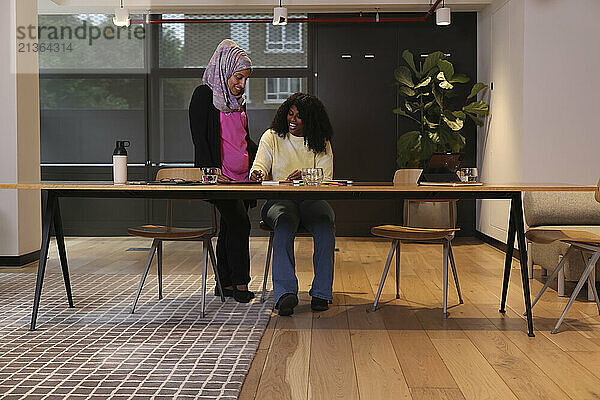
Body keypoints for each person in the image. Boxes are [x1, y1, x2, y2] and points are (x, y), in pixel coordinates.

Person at [250, 93, 335, 316]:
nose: (293, 120)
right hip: (279, 200)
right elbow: (259, 167)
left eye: (300, 116)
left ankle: (321, 293)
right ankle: (285, 293)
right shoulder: (272, 137)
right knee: (285, 223)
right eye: (290, 113)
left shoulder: (321, 141)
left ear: (312, 120)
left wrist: (305, 178)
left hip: (312, 200)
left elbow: (326, 178)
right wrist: (258, 173)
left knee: (325, 225)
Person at [189, 39, 257, 303]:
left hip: (241, 179)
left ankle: (223, 283)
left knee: (230, 227)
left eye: (245, 79)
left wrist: (262, 158)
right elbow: (199, 139)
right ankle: (239, 284)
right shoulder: (204, 95)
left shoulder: (237, 102)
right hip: (219, 178)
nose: (241, 84)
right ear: (224, 70)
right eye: (238, 77)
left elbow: (243, 139)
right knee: (240, 223)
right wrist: (211, 171)